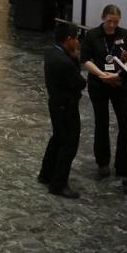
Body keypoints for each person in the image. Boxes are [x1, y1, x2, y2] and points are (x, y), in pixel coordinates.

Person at [80, 4, 127, 179]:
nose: (112, 25)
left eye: (116, 22)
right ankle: (102, 163)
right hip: (99, 83)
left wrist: (120, 73)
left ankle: (124, 163)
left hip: (119, 83)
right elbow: (85, 59)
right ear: (103, 18)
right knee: (101, 122)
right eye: (110, 21)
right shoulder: (92, 35)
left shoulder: (125, 35)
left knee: (126, 124)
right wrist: (101, 74)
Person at [41, 22, 86, 198]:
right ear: (69, 40)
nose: (77, 42)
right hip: (67, 106)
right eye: (76, 39)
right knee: (69, 144)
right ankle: (59, 184)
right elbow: (80, 82)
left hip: (55, 103)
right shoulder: (66, 62)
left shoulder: (51, 53)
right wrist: (75, 58)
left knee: (57, 138)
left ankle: (46, 174)